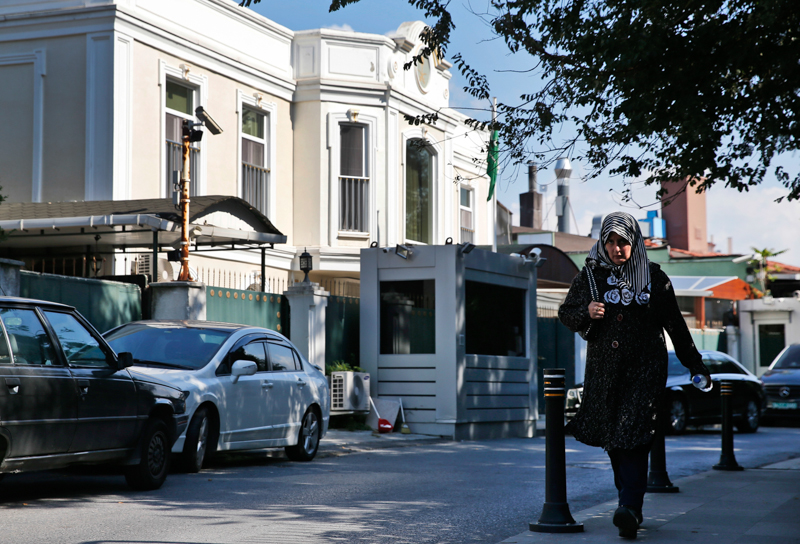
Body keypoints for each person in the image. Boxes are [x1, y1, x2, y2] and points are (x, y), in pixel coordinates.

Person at [558, 212, 710, 539]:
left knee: (636, 436)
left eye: (623, 241)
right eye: (610, 241)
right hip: (605, 371)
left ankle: (629, 505)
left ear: (635, 242)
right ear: (602, 242)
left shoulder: (655, 279)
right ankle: (629, 506)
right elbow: (565, 314)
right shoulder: (590, 276)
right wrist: (586, 312)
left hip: (645, 371)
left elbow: (675, 327)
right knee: (615, 437)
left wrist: (695, 363)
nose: (616, 248)